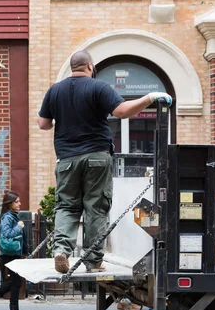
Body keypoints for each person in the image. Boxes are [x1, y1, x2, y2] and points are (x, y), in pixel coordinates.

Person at [37, 50, 172, 274]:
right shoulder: (98, 87)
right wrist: (149, 97)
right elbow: (122, 111)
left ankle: (61, 249)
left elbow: (43, 124)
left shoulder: (55, 90)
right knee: (96, 209)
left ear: (73, 67)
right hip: (97, 158)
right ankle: (93, 262)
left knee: (67, 206)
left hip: (67, 159)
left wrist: (61, 119)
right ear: (89, 66)